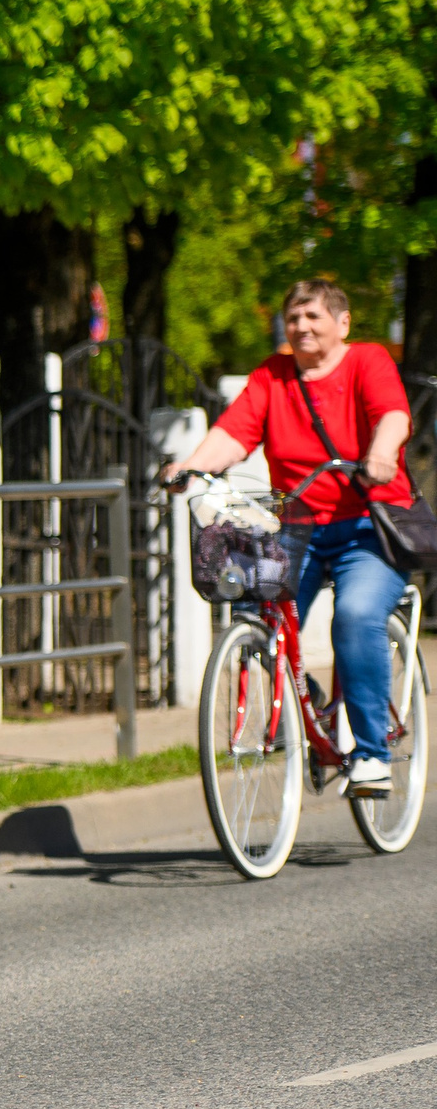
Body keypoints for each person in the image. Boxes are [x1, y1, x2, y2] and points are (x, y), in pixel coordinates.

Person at [163, 279, 415, 797]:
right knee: (257, 609)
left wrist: (383, 451)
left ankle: (371, 756)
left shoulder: (367, 361)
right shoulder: (273, 376)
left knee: (355, 616)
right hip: (298, 526)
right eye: (293, 318)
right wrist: (191, 466)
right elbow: (234, 433)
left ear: (342, 323)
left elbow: (392, 414)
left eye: (312, 317)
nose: (299, 327)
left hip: (369, 524)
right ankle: (303, 701)